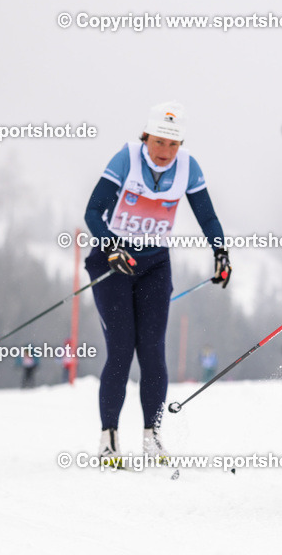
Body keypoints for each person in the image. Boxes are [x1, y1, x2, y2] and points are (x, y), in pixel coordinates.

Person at [83, 101, 231, 466]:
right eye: (160, 142)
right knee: (121, 348)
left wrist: (220, 252)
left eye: (173, 144)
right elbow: (93, 212)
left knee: (152, 350)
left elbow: (207, 215)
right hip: (112, 260)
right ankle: (109, 438)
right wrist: (110, 245)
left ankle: (152, 437)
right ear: (146, 136)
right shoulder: (127, 158)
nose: (165, 152)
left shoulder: (187, 167)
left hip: (153, 264)